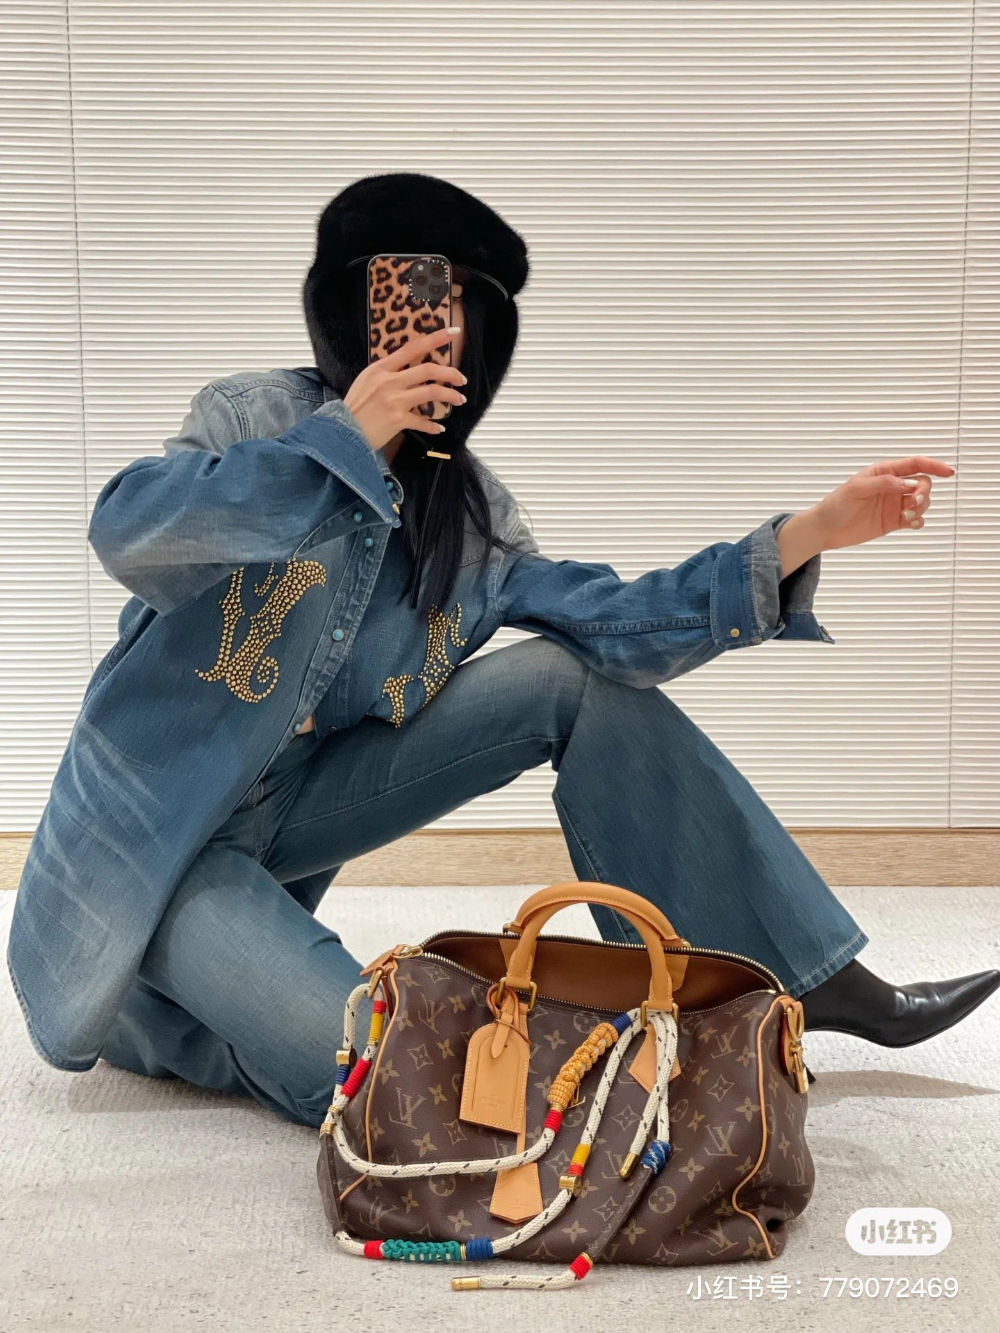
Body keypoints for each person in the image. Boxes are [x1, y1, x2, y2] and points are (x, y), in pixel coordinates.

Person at [8, 172, 997, 1129]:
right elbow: (127, 529)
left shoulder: (469, 516)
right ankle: (186, 1014)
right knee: (400, 1071)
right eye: (409, 305)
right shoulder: (253, 418)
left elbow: (617, 621)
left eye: (459, 318)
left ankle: (788, 980)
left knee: (572, 681)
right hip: (155, 850)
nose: (435, 336)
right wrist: (342, 443)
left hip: (297, 810)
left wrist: (806, 535)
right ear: (354, 313)